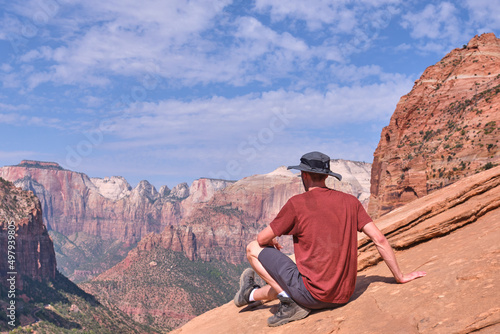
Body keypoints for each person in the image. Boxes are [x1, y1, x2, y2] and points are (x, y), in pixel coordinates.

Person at [233, 151, 427, 327]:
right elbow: (380, 240)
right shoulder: (351, 202)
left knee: (252, 248)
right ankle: (249, 294)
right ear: (326, 176)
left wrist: (270, 240)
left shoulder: (297, 204)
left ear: (305, 175)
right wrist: (399, 276)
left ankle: (288, 303)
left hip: (310, 296)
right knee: (289, 280)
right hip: (343, 295)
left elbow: (261, 238)